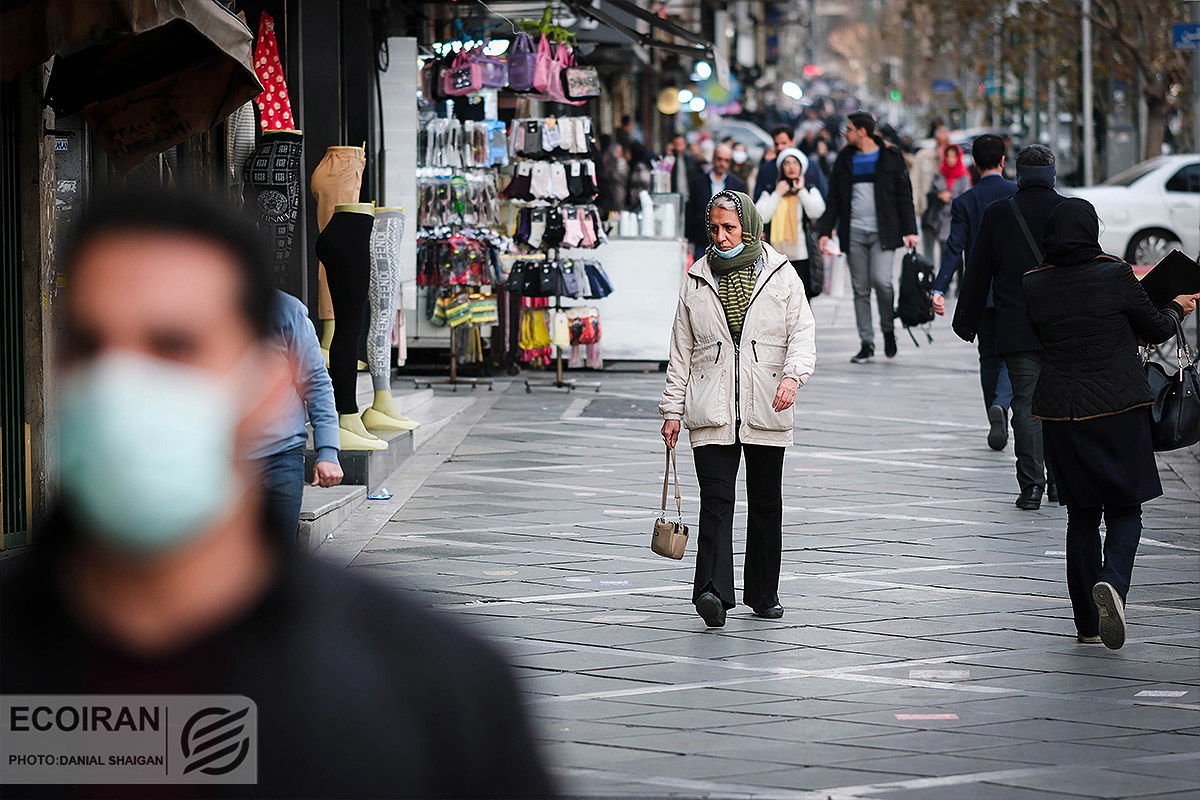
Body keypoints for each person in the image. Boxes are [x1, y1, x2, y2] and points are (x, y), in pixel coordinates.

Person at [0, 189, 554, 798]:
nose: (122, 385)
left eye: (174, 346)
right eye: (90, 345)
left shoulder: (431, 686)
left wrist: (325, 449)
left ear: (266, 383)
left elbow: (319, 381)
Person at [1023, 198, 1198, 649]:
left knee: (1081, 516)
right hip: (1119, 407)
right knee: (1127, 508)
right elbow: (1157, 328)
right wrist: (1178, 307)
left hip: (1061, 411)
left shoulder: (1034, 283)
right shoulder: (1114, 273)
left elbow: (1056, 333)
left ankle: (1086, 624)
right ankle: (1114, 585)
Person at [659, 190, 816, 627]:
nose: (722, 236)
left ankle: (764, 594)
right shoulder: (696, 278)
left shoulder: (781, 275)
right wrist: (672, 410)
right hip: (711, 405)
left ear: (748, 225)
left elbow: (802, 333)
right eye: (715, 228)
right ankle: (711, 591)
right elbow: (681, 352)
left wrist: (792, 377)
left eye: (730, 227)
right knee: (716, 500)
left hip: (766, 400)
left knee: (766, 502)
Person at [954, 145, 1065, 510]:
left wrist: (965, 322)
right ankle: (1061, 484)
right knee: (1064, 405)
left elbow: (978, 272)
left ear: (1018, 172)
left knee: (1027, 405)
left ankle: (1032, 485)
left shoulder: (999, 214)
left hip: (1017, 325)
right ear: (1051, 173)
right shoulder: (1069, 211)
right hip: (1064, 325)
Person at [931, 134, 1016, 451]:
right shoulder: (1017, 194)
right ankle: (1003, 403)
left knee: (987, 357)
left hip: (981, 294)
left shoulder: (965, 201)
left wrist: (939, 287)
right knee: (1013, 354)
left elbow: (954, 249)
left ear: (975, 165)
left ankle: (995, 418)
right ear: (1003, 161)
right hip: (1014, 291)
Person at [816, 111, 919, 362]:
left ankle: (887, 329)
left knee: (882, 282)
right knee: (860, 289)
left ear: (862, 131)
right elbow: (834, 198)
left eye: (849, 129)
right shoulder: (844, 158)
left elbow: (903, 194)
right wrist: (825, 230)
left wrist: (910, 230)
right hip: (854, 233)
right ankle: (867, 342)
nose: (845, 133)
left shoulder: (890, 156)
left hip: (884, 231)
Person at [249, 289, 344, 541]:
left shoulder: (286, 309)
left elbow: (315, 382)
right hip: (215, 461)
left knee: (278, 558)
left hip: (279, 458)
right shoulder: (194, 309)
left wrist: (328, 451)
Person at [755, 148, 827, 297]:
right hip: (776, 256)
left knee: (802, 300)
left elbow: (816, 212)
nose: (791, 167)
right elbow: (761, 217)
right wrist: (777, 193)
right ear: (781, 168)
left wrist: (801, 191)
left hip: (802, 255)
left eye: (795, 163)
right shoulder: (770, 191)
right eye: (787, 163)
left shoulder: (809, 189)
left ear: (801, 167)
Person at [686, 143, 747, 259]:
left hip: (728, 243)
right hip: (701, 240)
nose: (722, 163)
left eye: (726, 160)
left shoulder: (738, 185)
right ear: (713, 159)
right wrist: (689, 239)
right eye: (719, 159)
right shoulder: (698, 182)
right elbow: (690, 211)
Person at [925, 144, 972, 288]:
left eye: (954, 156)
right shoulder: (939, 173)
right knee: (944, 250)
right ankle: (945, 280)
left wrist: (951, 198)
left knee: (957, 252)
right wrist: (940, 196)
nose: (951, 159)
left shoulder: (964, 175)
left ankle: (959, 282)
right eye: (948, 156)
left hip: (957, 218)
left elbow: (967, 195)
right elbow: (930, 193)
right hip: (941, 218)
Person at [753, 125, 828, 208]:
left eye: (784, 143)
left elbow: (823, 194)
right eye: (776, 144)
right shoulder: (766, 169)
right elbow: (758, 200)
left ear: (793, 142)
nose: (780, 147)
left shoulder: (810, 166)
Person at [911, 124, 951, 263]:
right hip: (928, 208)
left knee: (946, 248)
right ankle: (929, 277)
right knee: (928, 247)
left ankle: (944, 281)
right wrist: (915, 205)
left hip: (947, 211)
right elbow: (915, 181)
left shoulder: (953, 158)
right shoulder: (923, 156)